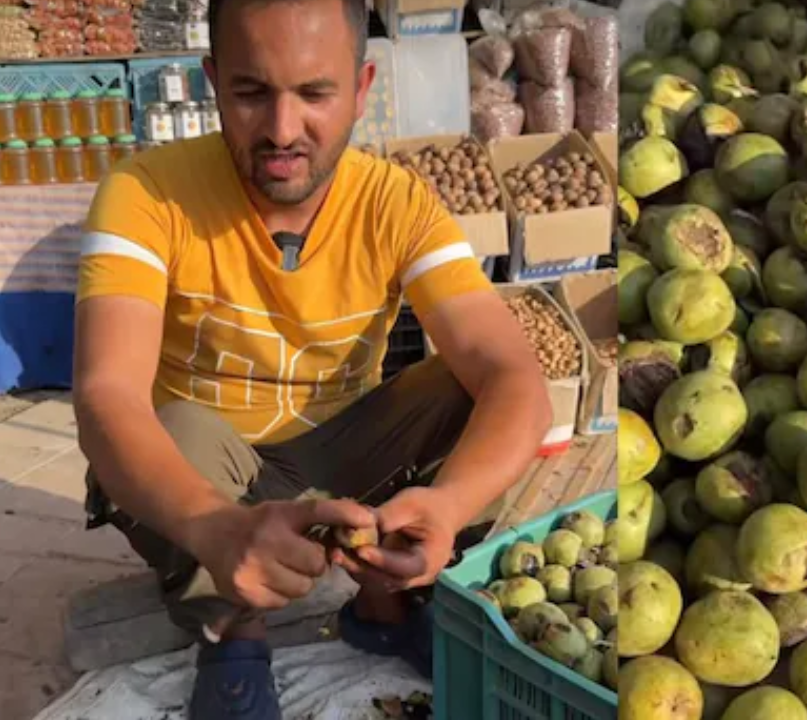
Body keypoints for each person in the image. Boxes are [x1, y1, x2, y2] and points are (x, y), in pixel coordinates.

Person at [70, 0, 553, 715]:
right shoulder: (146, 195)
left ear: (362, 88)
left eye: (315, 93)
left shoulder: (399, 203)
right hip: (212, 471)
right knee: (175, 431)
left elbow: (516, 376)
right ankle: (233, 636)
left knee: (470, 390)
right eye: (251, 92)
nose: (283, 130)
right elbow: (105, 394)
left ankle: (388, 605)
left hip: (343, 460)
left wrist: (449, 507)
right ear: (211, 82)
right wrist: (213, 526)